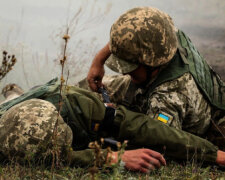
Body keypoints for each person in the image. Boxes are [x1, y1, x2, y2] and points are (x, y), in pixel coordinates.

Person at [0, 78, 225, 174]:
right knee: (10, 100)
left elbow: (142, 127)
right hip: (12, 114)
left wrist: (214, 155)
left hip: (56, 98)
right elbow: (61, 157)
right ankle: (13, 94)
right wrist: (112, 158)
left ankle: (14, 92)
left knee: (13, 96)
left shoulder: (82, 106)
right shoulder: (11, 141)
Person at [86, 6, 225, 155]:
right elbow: (129, 36)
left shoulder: (168, 96)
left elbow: (161, 142)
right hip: (150, 80)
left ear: (151, 62)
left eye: (130, 66)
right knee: (88, 90)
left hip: (193, 122)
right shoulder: (164, 34)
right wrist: (98, 61)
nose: (124, 71)